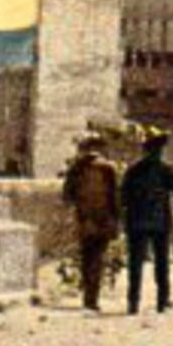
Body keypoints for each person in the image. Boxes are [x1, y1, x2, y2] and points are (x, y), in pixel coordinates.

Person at [121, 126, 173, 315]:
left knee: (135, 264)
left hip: (137, 222)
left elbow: (123, 196)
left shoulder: (133, 171)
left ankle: (133, 303)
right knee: (161, 263)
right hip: (160, 222)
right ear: (159, 150)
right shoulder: (165, 170)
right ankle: (162, 302)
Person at [62, 133, 120, 312]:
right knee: (98, 258)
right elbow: (115, 197)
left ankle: (87, 298)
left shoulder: (76, 168)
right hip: (103, 218)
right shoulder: (108, 168)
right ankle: (92, 299)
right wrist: (116, 219)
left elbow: (67, 195)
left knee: (87, 257)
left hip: (84, 218)